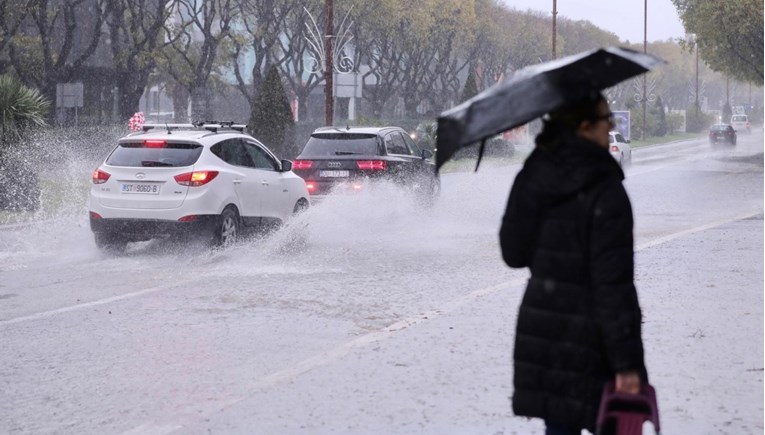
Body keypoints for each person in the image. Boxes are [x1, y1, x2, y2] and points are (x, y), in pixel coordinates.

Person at [499, 92, 648, 434]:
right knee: (612, 422)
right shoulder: (606, 189)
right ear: (584, 127)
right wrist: (627, 365)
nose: (610, 126)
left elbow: (513, 254)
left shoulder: (534, 173)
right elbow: (613, 285)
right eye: (605, 119)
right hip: (596, 342)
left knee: (560, 425)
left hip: (548, 334)